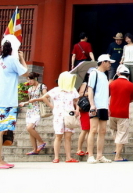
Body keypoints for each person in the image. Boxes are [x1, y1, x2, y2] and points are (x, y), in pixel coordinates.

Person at [30, 72, 80, 163]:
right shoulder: (56, 90)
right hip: (58, 115)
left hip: (69, 114)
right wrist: (51, 106)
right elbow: (44, 97)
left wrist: (77, 109)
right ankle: (56, 157)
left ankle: (68, 157)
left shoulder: (72, 90)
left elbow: (77, 100)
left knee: (68, 137)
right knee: (58, 136)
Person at [0, 35, 28, 169]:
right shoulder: (12, 60)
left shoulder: (0, 59)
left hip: (1, 98)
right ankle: (0, 160)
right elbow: (25, 72)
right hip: (8, 100)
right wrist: (22, 58)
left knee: (2, 131)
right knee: (2, 131)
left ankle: (1, 159)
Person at [86, 54, 113, 164]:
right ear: (103, 62)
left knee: (102, 131)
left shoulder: (104, 75)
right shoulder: (94, 73)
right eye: (108, 62)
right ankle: (90, 155)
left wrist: (107, 105)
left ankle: (100, 155)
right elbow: (90, 89)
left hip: (104, 106)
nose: (110, 64)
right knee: (93, 130)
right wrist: (92, 104)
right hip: (96, 105)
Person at [18, 72, 51, 155]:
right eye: (28, 80)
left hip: (38, 109)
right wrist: (25, 103)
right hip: (30, 110)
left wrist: (35, 100)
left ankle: (41, 142)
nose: (29, 81)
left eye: (30, 79)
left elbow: (46, 96)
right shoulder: (30, 89)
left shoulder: (42, 86)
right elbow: (30, 100)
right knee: (30, 130)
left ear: (35, 79)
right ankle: (34, 149)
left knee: (29, 128)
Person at [109, 64, 133, 162]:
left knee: (114, 131)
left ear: (118, 73)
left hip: (111, 112)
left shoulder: (112, 84)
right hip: (123, 113)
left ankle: (117, 149)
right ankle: (118, 156)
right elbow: (132, 99)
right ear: (128, 74)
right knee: (122, 133)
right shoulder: (131, 85)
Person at [76, 69, 94, 157]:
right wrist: (89, 93)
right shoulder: (85, 84)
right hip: (85, 108)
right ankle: (79, 148)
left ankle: (88, 149)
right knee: (85, 129)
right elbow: (80, 94)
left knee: (91, 130)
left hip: (93, 107)